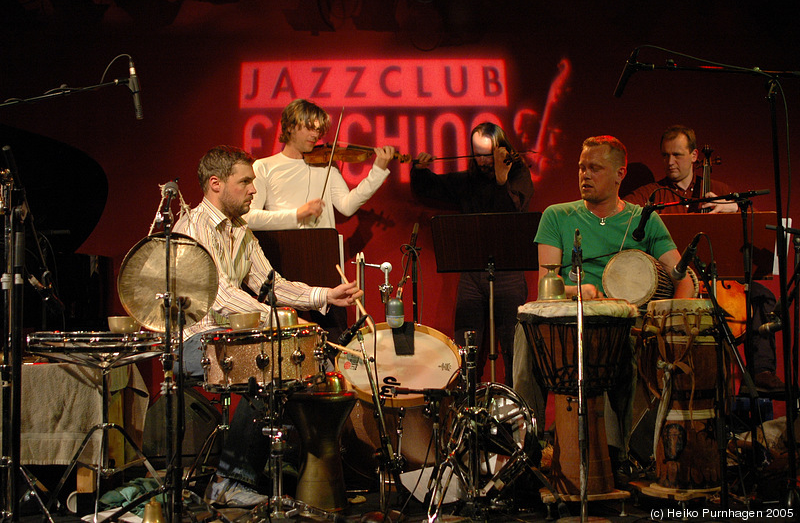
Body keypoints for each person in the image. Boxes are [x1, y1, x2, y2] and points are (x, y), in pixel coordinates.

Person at [174, 145, 362, 507]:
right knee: (268, 367)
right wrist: (281, 321)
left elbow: (270, 284)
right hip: (194, 341)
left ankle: (296, 468)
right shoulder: (194, 227)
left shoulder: (240, 230)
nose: (253, 190)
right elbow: (220, 295)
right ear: (216, 184)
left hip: (227, 340)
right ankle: (229, 481)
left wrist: (325, 294)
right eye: (244, 182)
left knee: (303, 364)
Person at [514, 135, 694, 463]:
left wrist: (671, 320)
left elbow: (682, 275)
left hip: (625, 322)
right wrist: (578, 290)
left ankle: (626, 454)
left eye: (595, 168)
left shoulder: (644, 219)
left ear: (619, 174)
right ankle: (528, 448)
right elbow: (545, 285)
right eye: (582, 167)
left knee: (633, 342)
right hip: (570, 317)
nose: (584, 174)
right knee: (526, 330)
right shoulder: (557, 216)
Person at [623, 125, 783, 393]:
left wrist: (734, 207)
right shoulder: (652, 194)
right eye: (665, 156)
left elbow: (754, 221)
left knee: (762, 296)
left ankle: (761, 372)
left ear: (695, 155)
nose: (670, 162)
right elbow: (623, 210)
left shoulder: (718, 189)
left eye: (677, 155)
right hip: (675, 284)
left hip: (717, 280)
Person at [410, 122, 533, 386]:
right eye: (477, 154)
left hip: (509, 274)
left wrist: (502, 179)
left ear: (501, 149)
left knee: (513, 348)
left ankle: (515, 411)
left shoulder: (518, 174)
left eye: (487, 154)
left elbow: (514, 212)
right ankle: (467, 408)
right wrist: (419, 171)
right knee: (466, 344)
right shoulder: (469, 181)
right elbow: (433, 186)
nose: (482, 160)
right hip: (472, 274)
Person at [243, 98, 396, 230]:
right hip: (283, 250)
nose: (315, 135)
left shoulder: (325, 164)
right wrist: (296, 215)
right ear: (290, 127)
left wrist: (378, 171)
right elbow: (249, 218)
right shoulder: (263, 166)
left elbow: (347, 206)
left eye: (318, 130)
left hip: (323, 248)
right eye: (309, 128)